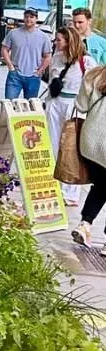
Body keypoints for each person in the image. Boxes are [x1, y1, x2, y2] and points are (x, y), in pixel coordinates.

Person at [47, 25, 94, 207]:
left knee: (71, 147)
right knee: (53, 142)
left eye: (59, 40)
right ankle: (55, 184)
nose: (56, 42)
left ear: (69, 41)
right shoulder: (57, 57)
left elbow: (94, 85)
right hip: (55, 102)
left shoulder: (86, 61)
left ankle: (71, 190)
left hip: (73, 105)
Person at [71, 65, 106, 252]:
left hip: (90, 141)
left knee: (101, 186)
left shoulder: (95, 74)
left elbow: (81, 106)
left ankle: (85, 224)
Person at [2, 8, 52, 99]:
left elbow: (47, 56)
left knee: (30, 105)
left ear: (36, 19)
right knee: (9, 102)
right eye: (26, 17)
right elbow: (4, 49)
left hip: (33, 76)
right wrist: (10, 66)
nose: (28, 19)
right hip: (15, 74)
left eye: (31, 17)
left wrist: (40, 71)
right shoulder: (13, 33)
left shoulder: (44, 37)